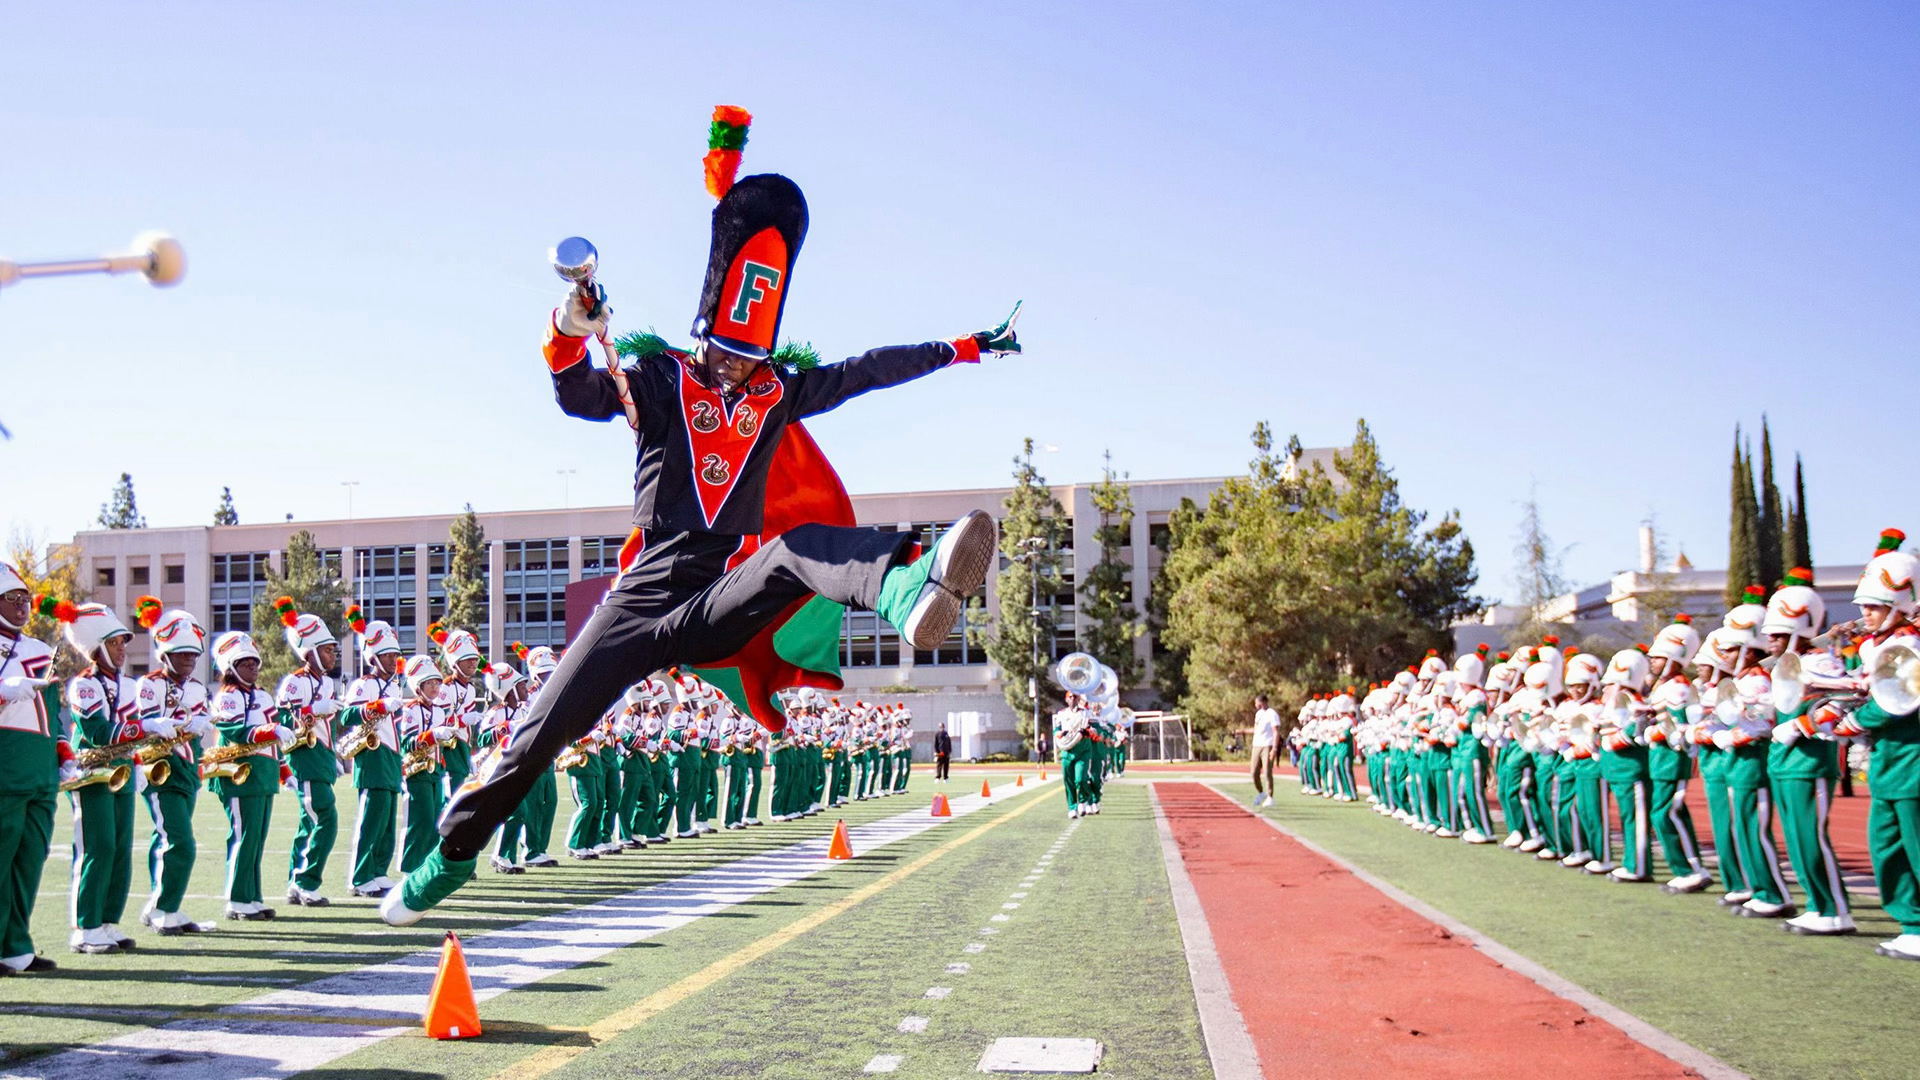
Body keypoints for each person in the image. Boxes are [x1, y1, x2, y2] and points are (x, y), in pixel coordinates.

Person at [57, 600, 144, 951]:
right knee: (98, 845)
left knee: (121, 847)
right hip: (92, 772)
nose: (122, 649)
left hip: (121, 769)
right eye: (114, 643)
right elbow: (96, 731)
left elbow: (127, 729)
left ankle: (107, 921)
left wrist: (136, 763)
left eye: (123, 642)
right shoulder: (84, 684)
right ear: (96, 647)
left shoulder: (125, 684)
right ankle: (84, 925)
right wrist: (143, 729)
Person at [132, 604, 217, 934]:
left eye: (193, 654)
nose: (189, 660)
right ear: (164, 653)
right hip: (159, 771)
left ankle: (162, 905)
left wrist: (203, 723)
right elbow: (149, 723)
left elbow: (198, 723)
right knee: (181, 842)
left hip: (186, 770)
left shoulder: (197, 687)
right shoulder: (149, 684)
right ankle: (163, 908)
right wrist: (183, 722)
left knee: (166, 840)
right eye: (181, 653)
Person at [1, 568, 63, 974]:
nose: (23, 605)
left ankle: (16, 946)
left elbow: (54, 715)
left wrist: (64, 754)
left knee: (30, 859)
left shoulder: (40, 648)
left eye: (26, 598)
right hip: (6, 769)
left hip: (40, 771)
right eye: (13, 598)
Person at [208, 631, 289, 921]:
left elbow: (274, 737)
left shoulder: (263, 695)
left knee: (256, 837)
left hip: (263, 775)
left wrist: (284, 771)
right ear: (229, 667)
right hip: (240, 777)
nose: (252, 667)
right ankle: (237, 899)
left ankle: (252, 895)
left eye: (254, 662)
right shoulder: (228, 696)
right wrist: (270, 732)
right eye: (244, 663)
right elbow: (234, 732)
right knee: (243, 836)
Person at [272, 599, 343, 908]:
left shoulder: (326, 682)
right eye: (326, 650)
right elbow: (283, 719)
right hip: (305, 760)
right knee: (326, 818)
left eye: (332, 650)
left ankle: (294, 881)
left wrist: (333, 755)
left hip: (321, 758)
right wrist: (313, 709)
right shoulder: (295, 681)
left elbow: (323, 727)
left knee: (309, 823)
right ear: (309, 652)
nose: (331, 655)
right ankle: (305, 881)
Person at [337, 612, 407, 896]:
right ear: (373, 656)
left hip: (390, 757)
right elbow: (346, 716)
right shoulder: (364, 685)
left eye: (394, 654)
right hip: (372, 757)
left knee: (387, 823)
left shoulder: (394, 685)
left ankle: (378, 871)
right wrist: (376, 707)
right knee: (371, 821)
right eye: (387, 654)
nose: (393, 659)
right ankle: (360, 876)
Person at [1250, 694, 1279, 807]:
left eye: (1256, 703)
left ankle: (1270, 797)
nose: (1255, 705)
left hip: (1267, 744)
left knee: (1267, 771)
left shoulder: (1272, 714)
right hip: (1257, 745)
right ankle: (1261, 792)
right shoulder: (1258, 714)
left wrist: (1275, 748)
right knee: (1254, 772)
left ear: (1261, 702)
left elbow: (1276, 731)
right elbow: (1256, 729)